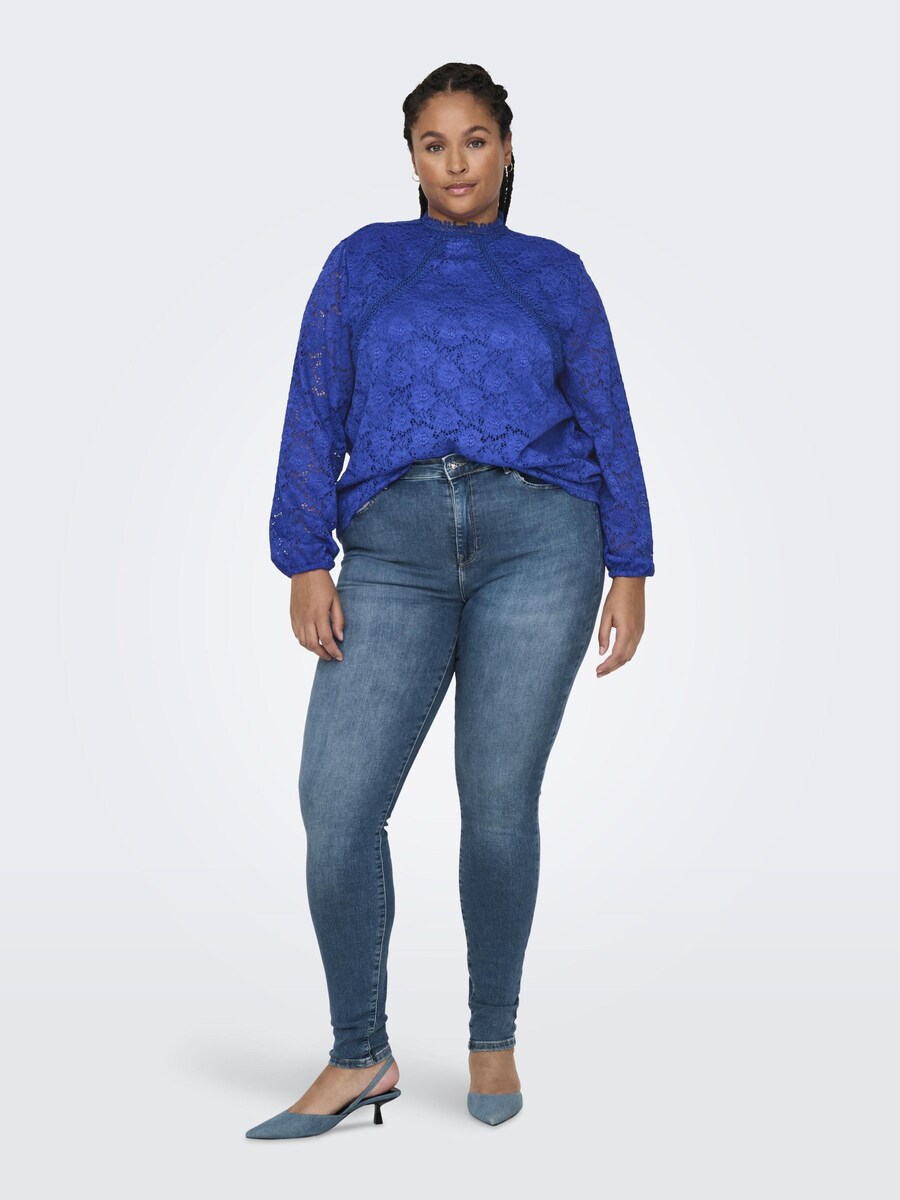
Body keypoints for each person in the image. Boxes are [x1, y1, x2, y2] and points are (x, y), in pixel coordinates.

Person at [246, 62, 655, 1141]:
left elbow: (607, 415)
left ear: (507, 150)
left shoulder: (554, 273)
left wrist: (631, 564)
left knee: (499, 803)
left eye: (476, 141)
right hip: (391, 550)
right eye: (435, 144)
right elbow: (313, 404)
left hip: (543, 543)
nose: (457, 163)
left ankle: (492, 1035)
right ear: (412, 157)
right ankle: (360, 1055)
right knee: (336, 806)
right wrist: (303, 558)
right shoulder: (363, 262)